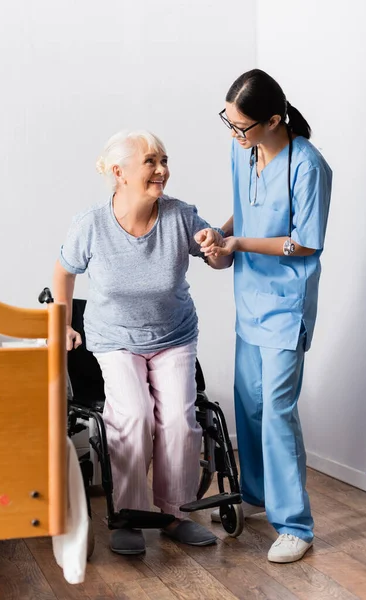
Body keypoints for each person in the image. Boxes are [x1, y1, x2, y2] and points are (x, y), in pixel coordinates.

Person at [53, 130, 224, 555]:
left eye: (164, 160)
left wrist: (216, 248)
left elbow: (221, 255)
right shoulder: (91, 224)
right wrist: (62, 322)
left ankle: (175, 514)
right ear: (119, 172)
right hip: (115, 339)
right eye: (151, 161)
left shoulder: (182, 216)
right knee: (132, 416)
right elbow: (63, 272)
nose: (162, 170)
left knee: (179, 423)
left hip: (174, 334)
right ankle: (129, 515)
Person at [196, 69, 332, 563]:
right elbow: (243, 208)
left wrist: (240, 242)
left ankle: (295, 524)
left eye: (241, 126)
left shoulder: (308, 166)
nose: (234, 134)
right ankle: (253, 494)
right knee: (248, 405)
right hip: (249, 301)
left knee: (276, 413)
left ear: (274, 119)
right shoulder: (243, 150)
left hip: (285, 306)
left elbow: (306, 241)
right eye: (229, 124)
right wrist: (220, 236)